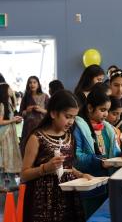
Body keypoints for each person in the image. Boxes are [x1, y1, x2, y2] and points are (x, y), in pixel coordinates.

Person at [21, 90, 91, 222]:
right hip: (43, 201)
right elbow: (24, 174)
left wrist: (81, 175)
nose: (71, 121)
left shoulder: (70, 136)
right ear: (53, 113)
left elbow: (67, 167)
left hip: (69, 198)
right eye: (68, 116)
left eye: (74, 117)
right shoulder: (37, 138)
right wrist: (45, 168)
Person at [74, 90, 120, 219]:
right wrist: (98, 161)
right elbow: (76, 159)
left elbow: (114, 153)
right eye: (102, 109)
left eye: (108, 110)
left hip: (107, 186)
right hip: (88, 187)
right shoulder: (79, 127)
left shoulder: (107, 128)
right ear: (90, 108)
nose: (106, 114)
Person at [0, 83, 23, 191]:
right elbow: (0, 121)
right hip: (4, 135)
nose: (11, 90)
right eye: (9, 88)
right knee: (4, 159)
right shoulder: (2, 105)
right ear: (4, 90)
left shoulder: (8, 104)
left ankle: (12, 183)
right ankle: (2, 184)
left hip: (9, 134)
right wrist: (13, 120)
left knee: (10, 157)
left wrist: (15, 119)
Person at [19, 76, 49, 156]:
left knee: (42, 148)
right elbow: (20, 114)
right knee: (28, 149)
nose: (32, 84)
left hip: (42, 125)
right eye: (30, 82)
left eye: (34, 82)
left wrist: (41, 110)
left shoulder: (45, 96)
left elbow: (50, 112)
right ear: (28, 85)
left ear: (38, 84)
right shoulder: (26, 97)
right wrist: (26, 111)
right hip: (28, 127)